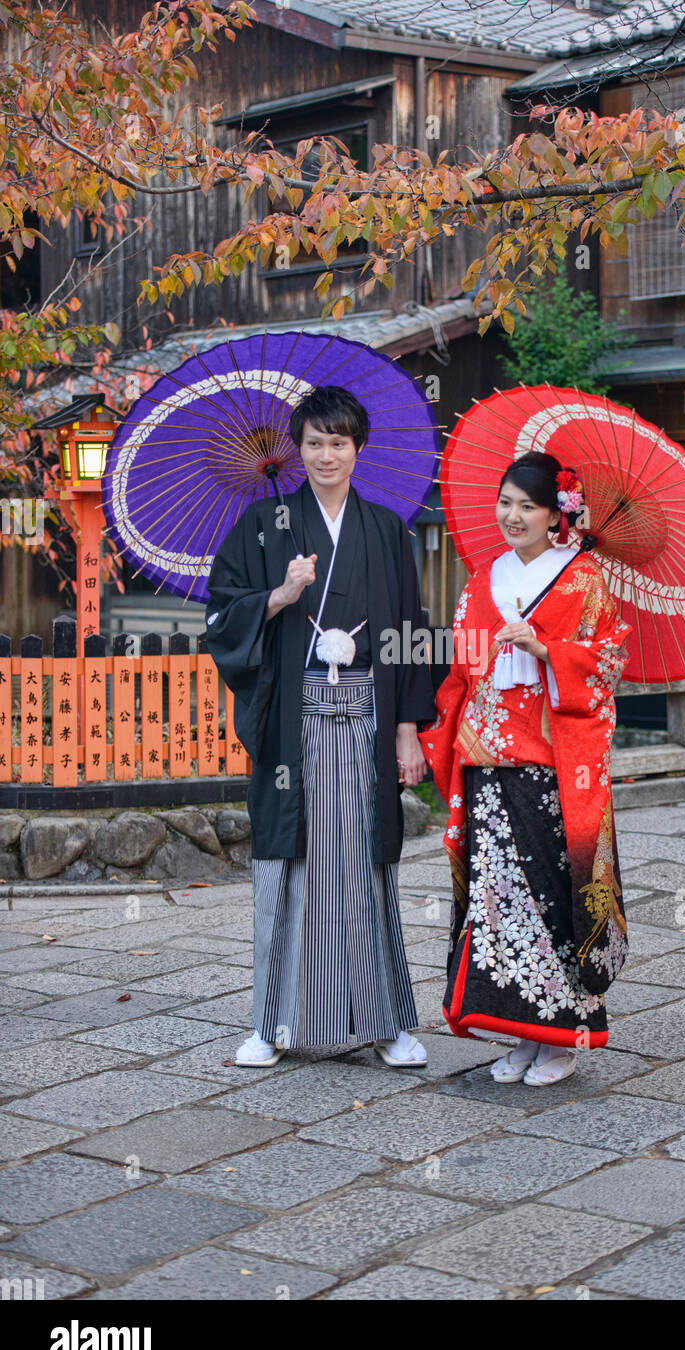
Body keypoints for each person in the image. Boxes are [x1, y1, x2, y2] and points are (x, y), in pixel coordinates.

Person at [205, 385, 437, 1068]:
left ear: (357, 448)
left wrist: (406, 731)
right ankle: (271, 1022)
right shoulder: (263, 525)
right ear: (297, 450)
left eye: (339, 442)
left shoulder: (387, 530)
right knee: (292, 864)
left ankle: (385, 1022)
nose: (327, 454)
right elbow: (220, 615)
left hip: (366, 714)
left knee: (366, 869)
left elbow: (407, 635)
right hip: (294, 723)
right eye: (314, 443)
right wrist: (279, 595)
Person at [423, 452, 631, 1086]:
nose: (513, 516)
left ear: (555, 515)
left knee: (549, 895)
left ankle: (561, 1037)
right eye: (505, 502)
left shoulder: (585, 580)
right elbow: (461, 668)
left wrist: (548, 650)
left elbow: (611, 662)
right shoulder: (483, 577)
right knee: (497, 901)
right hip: (487, 757)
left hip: (550, 762)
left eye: (528, 506)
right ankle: (516, 1030)